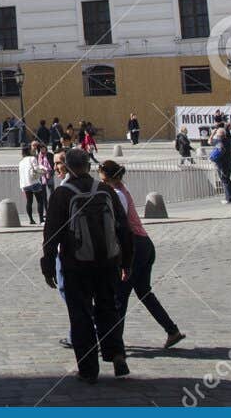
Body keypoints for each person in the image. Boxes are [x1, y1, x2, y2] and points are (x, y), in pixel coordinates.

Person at [41, 148, 132, 382]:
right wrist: (126, 261)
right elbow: (122, 227)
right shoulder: (105, 190)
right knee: (108, 309)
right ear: (88, 166)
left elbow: (52, 233)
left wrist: (48, 264)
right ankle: (117, 354)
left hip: (75, 264)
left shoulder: (62, 194)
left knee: (80, 315)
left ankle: (89, 369)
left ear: (68, 167)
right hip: (108, 262)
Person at [99, 160, 185, 349]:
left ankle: (115, 344)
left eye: (103, 180)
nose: (101, 183)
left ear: (110, 178)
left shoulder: (117, 194)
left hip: (134, 246)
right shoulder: (121, 188)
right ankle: (172, 331)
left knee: (120, 296)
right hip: (144, 244)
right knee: (144, 292)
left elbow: (118, 226)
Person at [18, 143, 46, 225]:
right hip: (34, 182)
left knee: (29, 202)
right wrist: (43, 171)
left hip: (25, 184)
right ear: (29, 151)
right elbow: (36, 169)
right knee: (40, 201)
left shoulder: (21, 162)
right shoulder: (32, 158)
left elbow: (21, 175)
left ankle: (31, 220)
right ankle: (41, 220)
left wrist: (22, 186)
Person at [209, 122, 231, 203]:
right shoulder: (229, 141)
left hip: (222, 164)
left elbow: (209, 141)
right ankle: (230, 197)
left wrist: (212, 134)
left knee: (225, 180)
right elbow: (229, 137)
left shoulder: (218, 141)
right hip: (229, 162)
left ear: (219, 135)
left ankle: (228, 198)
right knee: (227, 180)